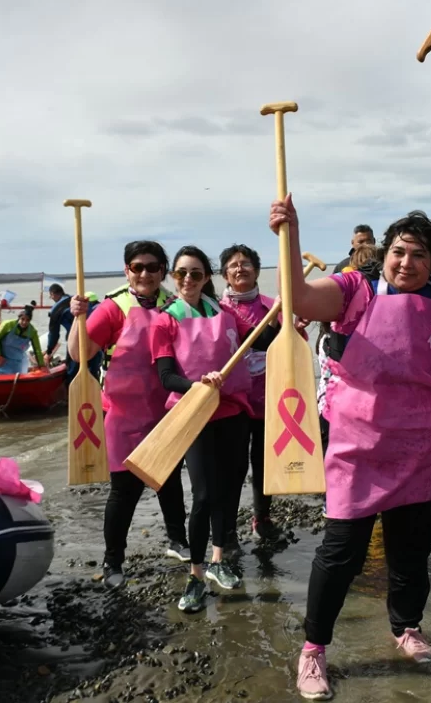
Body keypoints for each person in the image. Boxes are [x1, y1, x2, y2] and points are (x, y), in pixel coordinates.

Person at [268, 200, 431, 700]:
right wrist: (290, 235)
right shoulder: (355, 290)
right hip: (358, 448)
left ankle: (406, 627)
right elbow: (296, 298)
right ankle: (314, 649)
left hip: (422, 445)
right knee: (341, 553)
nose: (407, 262)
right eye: (399, 252)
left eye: (419, 255)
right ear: (385, 254)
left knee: (412, 551)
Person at [151, 245, 282, 613]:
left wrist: (283, 316)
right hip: (196, 416)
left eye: (195, 273)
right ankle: (195, 575)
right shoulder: (165, 319)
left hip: (234, 414)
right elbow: (165, 377)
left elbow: (262, 341)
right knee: (204, 497)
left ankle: (218, 560)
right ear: (172, 277)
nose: (188, 280)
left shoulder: (223, 312)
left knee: (227, 492)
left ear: (207, 278)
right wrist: (197, 385)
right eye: (181, 274)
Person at [68, 241, 188, 589]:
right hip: (122, 413)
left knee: (169, 481)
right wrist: (78, 317)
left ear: (163, 271)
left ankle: (178, 541)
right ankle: (113, 561)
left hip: (167, 410)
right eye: (138, 267)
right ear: (127, 271)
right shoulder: (112, 306)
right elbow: (79, 354)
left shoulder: (177, 305)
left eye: (153, 267)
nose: (145, 274)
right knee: (124, 491)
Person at [218, 244, 294, 543]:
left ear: (257, 271)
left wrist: (292, 323)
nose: (240, 269)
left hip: (269, 400)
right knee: (232, 468)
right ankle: (226, 528)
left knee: (265, 465)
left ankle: (262, 517)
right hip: (233, 402)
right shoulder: (217, 310)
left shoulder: (272, 306)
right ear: (225, 273)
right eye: (234, 265)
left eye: (246, 264)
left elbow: (292, 345)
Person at [44, 283, 103, 386]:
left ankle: (72, 397)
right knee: (94, 372)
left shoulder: (56, 309)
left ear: (53, 294)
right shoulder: (76, 300)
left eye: (51, 296)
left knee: (73, 374)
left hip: (76, 344)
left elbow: (54, 334)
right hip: (95, 342)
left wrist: (49, 351)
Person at [0, 305, 45, 375]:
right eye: (22, 319)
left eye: (27, 320)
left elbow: (37, 350)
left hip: (15, 363)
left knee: (16, 380)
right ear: (19, 318)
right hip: (1, 360)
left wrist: (42, 366)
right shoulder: (7, 325)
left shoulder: (32, 332)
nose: (24, 322)